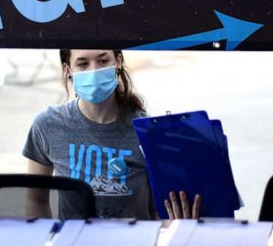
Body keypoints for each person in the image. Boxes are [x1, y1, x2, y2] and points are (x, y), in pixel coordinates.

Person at [23, 49, 201, 220]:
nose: (93, 71)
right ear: (68, 70)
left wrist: (177, 224)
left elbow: (156, 210)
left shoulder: (147, 131)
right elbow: (35, 199)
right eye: (82, 64)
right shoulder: (48, 124)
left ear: (118, 62)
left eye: (102, 61)